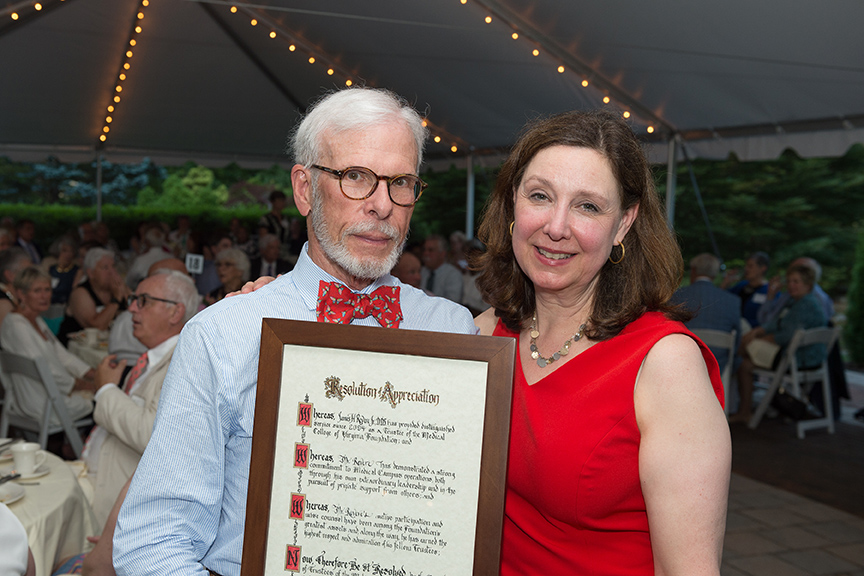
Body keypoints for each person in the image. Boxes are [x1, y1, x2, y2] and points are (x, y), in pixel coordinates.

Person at [113, 87, 477, 576]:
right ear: (305, 190)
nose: (382, 205)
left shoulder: (453, 331)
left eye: (401, 182)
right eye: (356, 177)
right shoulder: (225, 334)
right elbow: (153, 540)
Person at [472, 110, 730, 575]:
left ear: (625, 223)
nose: (556, 225)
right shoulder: (484, 333)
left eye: (588, 206)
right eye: (539, 196)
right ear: (513, 203)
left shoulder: (665, 364)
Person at [84, 269, 198, 526]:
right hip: (102, 481)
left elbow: (152, 435)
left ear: (175, 312)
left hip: (121, 507)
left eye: (143, 300)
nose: (132, 309)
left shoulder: (182, 363)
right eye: (133, 299)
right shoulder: (152, 358)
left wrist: (105, 390)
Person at [733, 263, 828, 423]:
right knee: (744, 364)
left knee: (741, 350)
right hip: (798, 357)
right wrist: (758, 331)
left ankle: (735, 402)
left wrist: (758, 338)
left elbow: (786, 335)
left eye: (796, 282)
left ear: (807, 285)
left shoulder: (805, 305)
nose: (791, 285)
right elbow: (775, 323)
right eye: (789, 281)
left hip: (796, 360)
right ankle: (744, 411)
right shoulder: (795, 301)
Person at [0, 266, 95, 424]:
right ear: (21, 294)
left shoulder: (34, 320)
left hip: (43, 395)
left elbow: (61, 355)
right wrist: (85, 385)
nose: (45, 296)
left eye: (48, 289)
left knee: (103, 390)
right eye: (37, 291)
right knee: (105, 402)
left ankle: (71, 445)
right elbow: (49, 372)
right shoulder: (16, 326)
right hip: (42, 403)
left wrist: (93, 374)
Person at [671, 253, 742, 373]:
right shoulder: (732, 301)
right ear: (715, 274)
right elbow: (737, 338)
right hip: (718, 363)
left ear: (693, 270)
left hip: (681, 359)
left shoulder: (676, 296)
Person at [58, 248, 128, 345]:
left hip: (111, 345)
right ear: (91, 273)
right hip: (77, 350)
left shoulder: (118, 289)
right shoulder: (80, 293)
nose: (112, 272)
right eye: (105, 268)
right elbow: (97, 327)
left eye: (113, 266)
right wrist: (115, 300)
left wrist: (127, 296)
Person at [723, 251, 772, 328]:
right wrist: (726, 283)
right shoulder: (740, 286)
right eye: (746, 265)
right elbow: (721, 299)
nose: (746, 269)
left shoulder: (769, 291)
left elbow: (769, 318)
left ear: (763, 268)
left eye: (750, 266)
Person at [420, 234, 463, 302]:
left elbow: (453, 302)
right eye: (424, 250)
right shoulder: (421, 272)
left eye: (430, 250)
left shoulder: (453, 274)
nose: (426, 253)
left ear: (442, 254)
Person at [0, 247, 32, 328]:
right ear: (10, 275)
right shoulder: (4, 304)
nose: (32, 277)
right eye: (26, 273)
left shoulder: (14, 297)